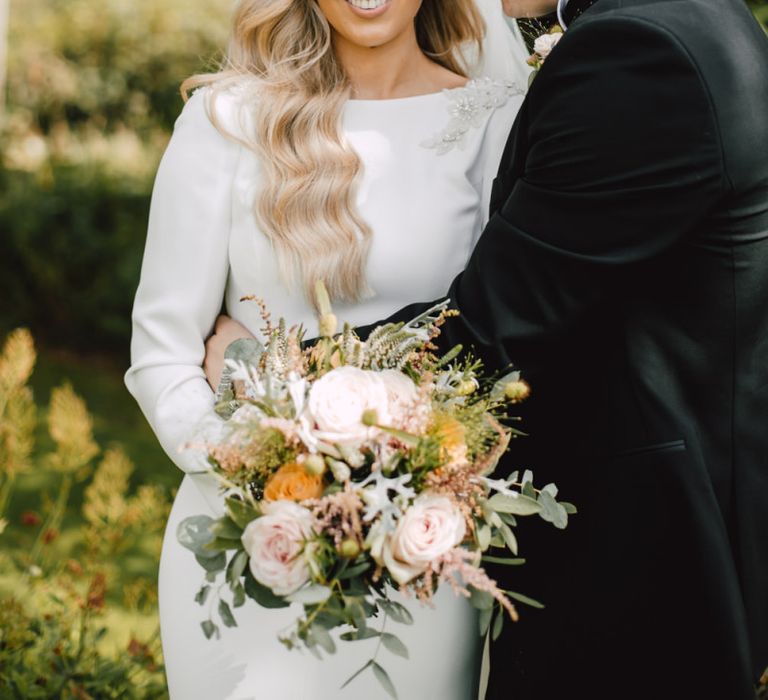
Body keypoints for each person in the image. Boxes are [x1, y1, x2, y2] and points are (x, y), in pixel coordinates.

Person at [209, 0, 768, 698]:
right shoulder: (705, 17)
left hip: (637, 564)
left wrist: (265, 370)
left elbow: (487, 329)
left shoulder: (638, 52)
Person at [125, 1, 531, 698]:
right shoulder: (227, 123)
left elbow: (507, 336)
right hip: (248, 543)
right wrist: (263, 474)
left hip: (419, 549)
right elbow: (162, 353)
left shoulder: (494, 120)